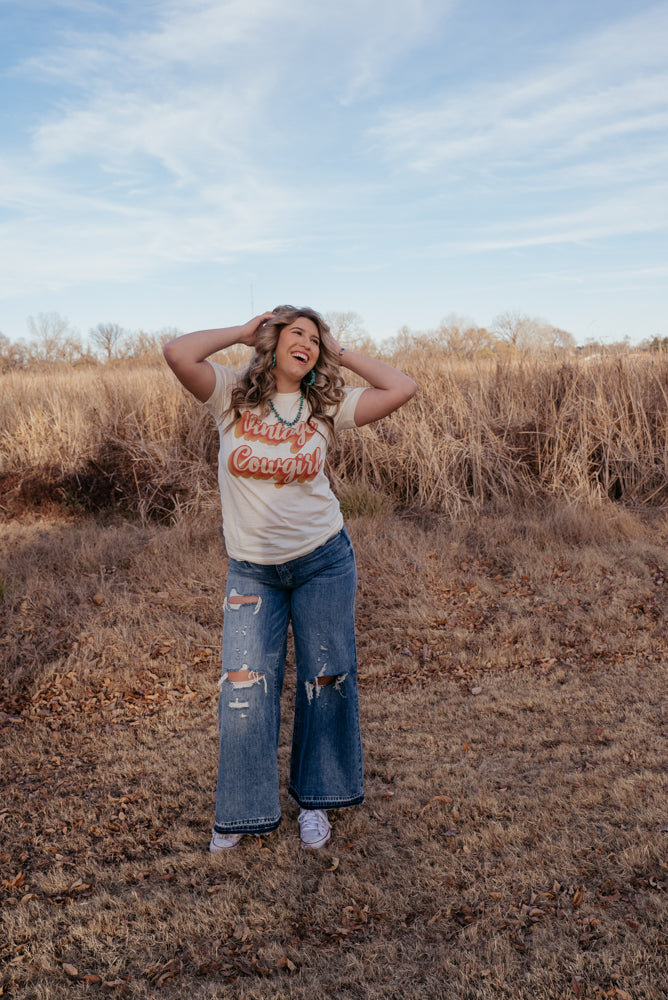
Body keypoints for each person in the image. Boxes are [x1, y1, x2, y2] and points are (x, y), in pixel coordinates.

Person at [163, 306, 417, 851]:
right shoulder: (231, 395)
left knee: (325, 681)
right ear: (273, 343)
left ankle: (317, 803)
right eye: (294, 333)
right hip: (252, 568)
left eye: (314, 338)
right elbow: (177, 353)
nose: (305, 342)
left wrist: (339, 350)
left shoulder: (325, 406)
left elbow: (402, 386)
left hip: (323, 559)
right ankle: (240, 813)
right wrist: (240, 332)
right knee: (244, 691)